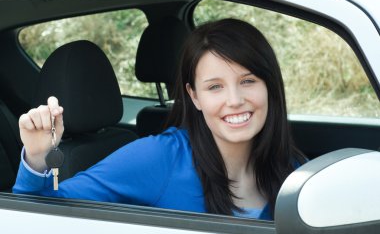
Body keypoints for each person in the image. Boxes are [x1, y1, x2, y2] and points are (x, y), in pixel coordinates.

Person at [13, 18, 307, 220]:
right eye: (215, 87)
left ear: (269, 85)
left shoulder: (291, 167)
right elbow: (36, 215)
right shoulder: (160, 158)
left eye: (248, 81)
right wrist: (38, 158)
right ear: (194, 97)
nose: (234, 100)